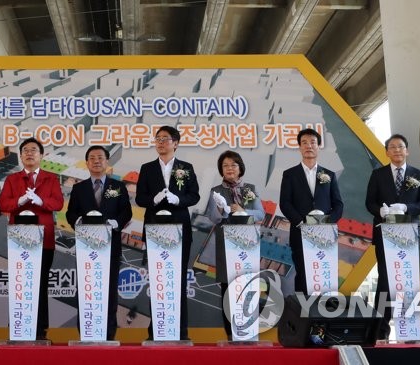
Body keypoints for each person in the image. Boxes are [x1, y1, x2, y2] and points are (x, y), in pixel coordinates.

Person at [365, 133, 420, 338]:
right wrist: (381, 211)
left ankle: (410, 331)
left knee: (408, 281)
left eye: (401, 146)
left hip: (410, 236)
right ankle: (381, 331)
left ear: (407, 151)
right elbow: (369, 202)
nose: (397, 150)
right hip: (385, 235)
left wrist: (405, 207)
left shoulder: (418, 175)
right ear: (387, 152)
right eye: (392, 147)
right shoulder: (378, 175)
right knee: (386, 281)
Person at [134, 125, 200, 340]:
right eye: (158, 139)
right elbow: (140, 198)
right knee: (158, 281)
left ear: (176, 143)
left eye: (165, 138)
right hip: (155, 228)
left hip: (179, 229)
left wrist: (178, 199)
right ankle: (156, 332)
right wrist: (153, 199)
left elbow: (195, 196)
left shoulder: (186, 167)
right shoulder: (147, 168)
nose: (161, 142)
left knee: (177, 282)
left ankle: (180, 332)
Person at [0, 138, 64, 340]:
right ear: (20, 155)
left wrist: (41, 201)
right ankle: (17, 328)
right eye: (25, 150)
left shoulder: (51, 178)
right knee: (20, 284)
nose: (29, 153)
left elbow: (58, 203)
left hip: (45, 240)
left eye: (34, 150)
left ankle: (40, 330)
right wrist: (20, 201)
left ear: (41, 155)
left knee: (41, 284)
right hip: (19, 241)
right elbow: (3, 204)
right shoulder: (12, 179)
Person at [66, 144, 133, 341]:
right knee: (86, 289)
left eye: (100, 158)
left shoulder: (118, 187)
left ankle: (108, 334)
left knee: (109, 291)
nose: (96, 161)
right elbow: (71, 212)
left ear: (107, 162)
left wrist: (116, 223)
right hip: (86, 248)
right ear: (87, 163)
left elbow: (126, 211)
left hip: (110, 247)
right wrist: (77, 220)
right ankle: (85, 332)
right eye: (92, 158)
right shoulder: (79, 188)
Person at [206, 149, 265, 338]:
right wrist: (222, 209)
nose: (229, 168)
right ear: (221, 170)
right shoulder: (216, 191)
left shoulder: (250, 188)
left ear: (240, 168)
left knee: (248, 289)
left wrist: (242, 211)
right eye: (225, 165)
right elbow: (213, 218)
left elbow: (261, 214)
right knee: (227, 290)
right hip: (226, 246)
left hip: (247, 247)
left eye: (233, 165)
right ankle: (231, 336)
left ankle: (248, 333)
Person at [279, 127, 344, 295]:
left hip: (324, 235)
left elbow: (338, 205)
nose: (309, 146)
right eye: (304, 143)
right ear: (299, 147)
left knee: (324, 275)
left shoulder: (329, 175)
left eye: (313, 142)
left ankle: (323, 310)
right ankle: (303, 310)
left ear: (319, 146)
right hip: (300, 233)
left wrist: (327, 224)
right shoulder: (289, 174)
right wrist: (302, 223)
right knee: (303, 275)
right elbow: (285, 203)